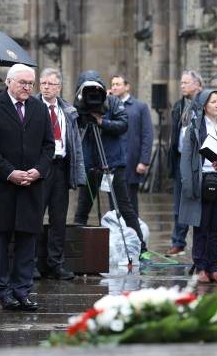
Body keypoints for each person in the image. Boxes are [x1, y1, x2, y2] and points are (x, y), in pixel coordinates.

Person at [0, 64, 54, 311]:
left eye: (31, 84)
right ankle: (2, 291)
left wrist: (38, 171)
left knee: (26, 241)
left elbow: (48, 146)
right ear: (9, 81)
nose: (27, 88)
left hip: (31, 186)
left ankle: (22, 290)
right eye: (23, 83)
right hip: (2, 187)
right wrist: (9, 172)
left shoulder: (39, 108)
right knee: (0, 240)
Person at [73, 70, 149, 260]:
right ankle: (74, 250)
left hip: (113, 162)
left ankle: (142, 248)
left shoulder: (113, 102)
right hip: (90, 162)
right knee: (83, 206)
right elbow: (74, 129)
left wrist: (101, 121)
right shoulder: (79, 105)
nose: (92, 95)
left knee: (124, 206)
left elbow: (123, 125)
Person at [178, 90, 217, 284]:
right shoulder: (195, 128)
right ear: (204, 105)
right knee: (201, 226)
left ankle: (213, 267)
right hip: (203, 181)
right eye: (213, 102)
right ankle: (201, 267)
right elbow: (186, 158)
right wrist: (188, 185)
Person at [33, 68, 85, 280]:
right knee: (35, 217)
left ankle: (56, 263)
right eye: (43, 83)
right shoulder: (34, 107)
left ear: (59, 87)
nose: (45, 87)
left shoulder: (69, 111)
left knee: (58, 218)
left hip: (61, 167)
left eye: (50, 84)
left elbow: (76, 145)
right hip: (40, 168)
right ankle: (32, 264)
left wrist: (78, 172)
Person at [167, 69, 203, 256]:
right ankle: (178, 241)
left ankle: (198, 242)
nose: (182, 86)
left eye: (186, 82)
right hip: (181, 157)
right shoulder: (179, 106)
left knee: (197, 201)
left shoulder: (204, 103)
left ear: (198, 84)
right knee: (178, 203)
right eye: (181, 82)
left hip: (198, 159)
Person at [110, 75, 153, 213]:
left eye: (118, 84)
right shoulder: (108, 105)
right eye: (113, 84)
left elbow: (147, 134)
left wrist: (144, 161)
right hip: (113, 162)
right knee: (113, 201)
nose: (114, 87)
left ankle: (133, 231)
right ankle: (116, 231)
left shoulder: (139, 107)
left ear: (127, 86)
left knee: (130, 201)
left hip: (132, 161)